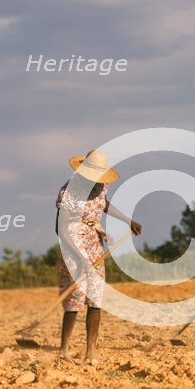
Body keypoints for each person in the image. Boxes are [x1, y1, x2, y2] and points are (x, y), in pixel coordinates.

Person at [56, 150, 142, 364]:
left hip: (94, 244)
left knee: (95, 297)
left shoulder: (101, 186)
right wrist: (80, 258)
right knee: (74, 299)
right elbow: (61, 229)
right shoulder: (69, 191)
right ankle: (64, 349)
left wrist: (127, 220)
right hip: (72, 245)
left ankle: (91, 350)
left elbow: (104, 204)